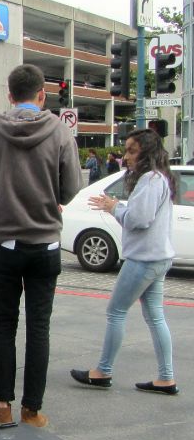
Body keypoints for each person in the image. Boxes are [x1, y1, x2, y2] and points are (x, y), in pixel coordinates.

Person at [0, 64, 82, 427]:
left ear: (9, 95)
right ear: (42, 95)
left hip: (3, 242)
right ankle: (31, 410)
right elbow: (71, 189)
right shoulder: (61, 132)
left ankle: (2, 405)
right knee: (39, 327)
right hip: (45, 243)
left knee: (4, 325)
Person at [71, 129, 179, 395]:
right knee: (155, 316)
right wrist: (120, 206)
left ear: (146, 152)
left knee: (116, 311)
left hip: (143, 258)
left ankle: (103, 371)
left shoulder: (149, 180)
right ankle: (166, 377)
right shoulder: (160, 178)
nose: (126, 156)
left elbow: (139, 220)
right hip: (158, 257)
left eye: (132, 151)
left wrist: (114, 207)